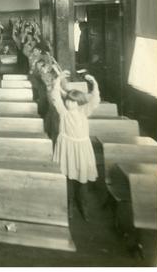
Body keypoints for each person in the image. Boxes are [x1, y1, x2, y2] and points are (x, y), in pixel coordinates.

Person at [51, 66, 100, 221]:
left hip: (81, 148)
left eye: (72, 102)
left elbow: (95, 100)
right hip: (68, 147)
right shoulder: (63, 113)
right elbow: (55, 96)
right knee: (69, 178)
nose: (69, 104)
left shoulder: (84, 112)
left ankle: (83, 205)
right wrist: (58, 79)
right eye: (68, 101)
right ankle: (70, 205)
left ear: (78, 103)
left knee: (82, 178)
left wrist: (94, 83)